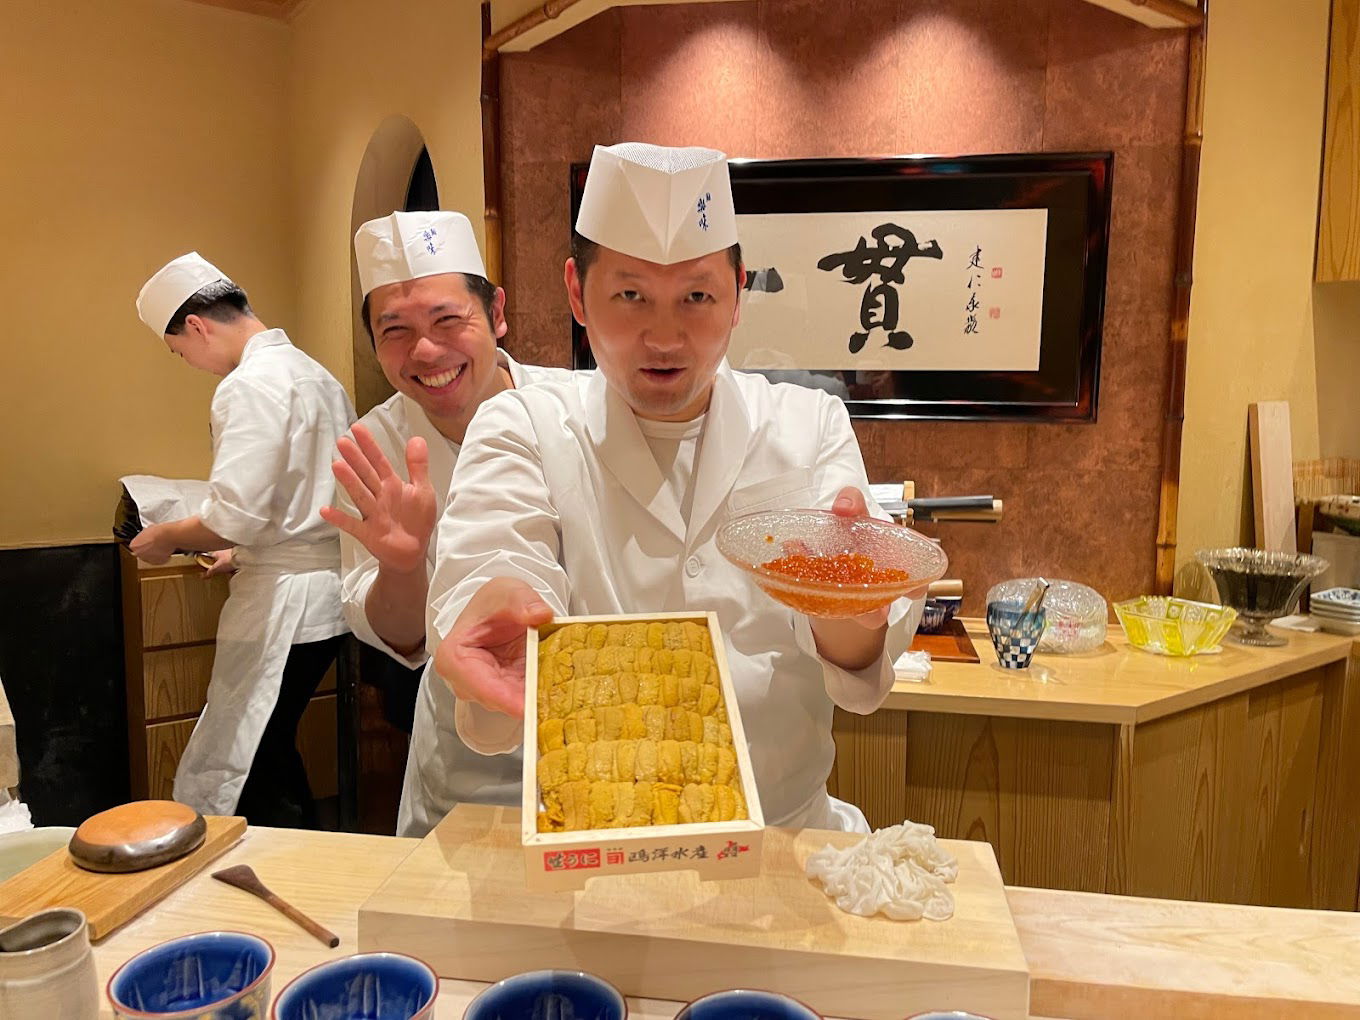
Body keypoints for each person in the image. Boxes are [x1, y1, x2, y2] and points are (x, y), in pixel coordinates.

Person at [409, 143, 925, 837]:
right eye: (630, 296)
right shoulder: (524, 423)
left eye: (697, 297)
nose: (664, 335)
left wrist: (851, 610)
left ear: (738, 293)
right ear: (575, 292)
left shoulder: (808, 424)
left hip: (785, 839)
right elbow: (498, 553)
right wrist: (502, 600)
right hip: (600, 841)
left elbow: (856, 666)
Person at [321, 210, 574, 835]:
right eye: (395, 330)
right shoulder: (373, 448)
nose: (426, 351)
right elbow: (401, 641)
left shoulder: (574, 410)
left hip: (596, 722)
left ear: (497, 313)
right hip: (466, 756)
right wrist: (402, 566)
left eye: (446, 320)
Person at [131, 253, 355, 828]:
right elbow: (300, 494)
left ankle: (285, 876)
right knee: (267, 745)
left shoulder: (248, 385)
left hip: (288, 602)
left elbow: (234, 512)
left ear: (198, 326)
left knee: (250, 756)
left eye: (182, 352)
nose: (193, 365)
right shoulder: (313, 373)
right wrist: (242, 550)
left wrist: (168, 537)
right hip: (327, 588)